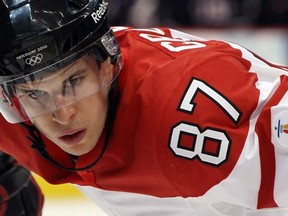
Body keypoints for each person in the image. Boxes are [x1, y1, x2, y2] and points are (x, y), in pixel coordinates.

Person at [0, 0, 288, 215]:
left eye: (74, 81)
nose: (62, 115)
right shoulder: (12, 119)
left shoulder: (187, 116)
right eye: (34, 94)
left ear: (107, 64)